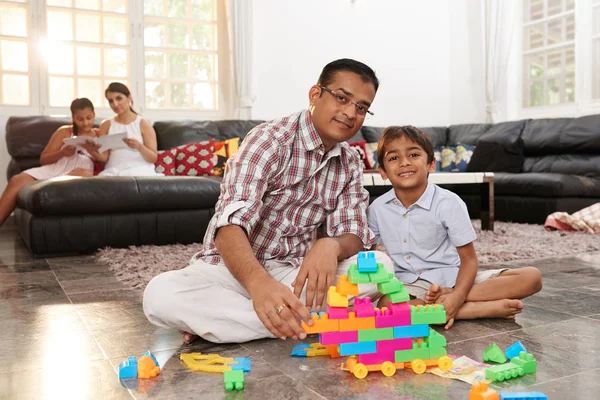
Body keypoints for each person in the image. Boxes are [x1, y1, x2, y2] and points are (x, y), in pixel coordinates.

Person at [143, 58, 395, 344]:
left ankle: (230, 324)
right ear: (316, 95)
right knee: (160, 296)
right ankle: (310, 322)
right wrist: (259, 285)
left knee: (380, 266)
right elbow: (229, 227)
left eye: (361, 107)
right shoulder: (269, 140)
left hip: (294, 274)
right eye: (341, 98)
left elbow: (356, 231)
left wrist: (331, 244)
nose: (350, 113)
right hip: (231, 272)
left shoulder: (349, 160)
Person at [368, 126, 543, 329]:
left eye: (414, 154)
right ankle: (470, 310)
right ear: (382, 171)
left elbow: (469, 260)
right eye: (393, 158)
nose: (405, 162)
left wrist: (457, 294)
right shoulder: (377, 208)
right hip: (410, 285)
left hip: (456, 278)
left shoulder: (449, 202)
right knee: (384, 308)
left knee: (532, 277)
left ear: (431, 164)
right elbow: (368, 256)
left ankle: (450, 303)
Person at [0, 98, 100, 227]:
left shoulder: (99, 134)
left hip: (81, 170)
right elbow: (44, 159)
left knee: (82, 174)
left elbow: (105, 158)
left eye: (89, 118)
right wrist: (62, 153)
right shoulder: (64, 131)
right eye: (80, 119)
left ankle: (45, 186)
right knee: (16, 180)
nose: (86, 123)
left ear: (94, 115)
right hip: (57, 167)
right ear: (73, 118)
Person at [95, 82, 159, 176]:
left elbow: (153, 158)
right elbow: (104, 158)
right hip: (113, 170)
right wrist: (91, 150)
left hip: (139, 169)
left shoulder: (143, 124)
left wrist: (139, 146)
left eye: (119, 98)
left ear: (129, 98)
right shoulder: (106, 125)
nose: (115, 104)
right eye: (111, 101)